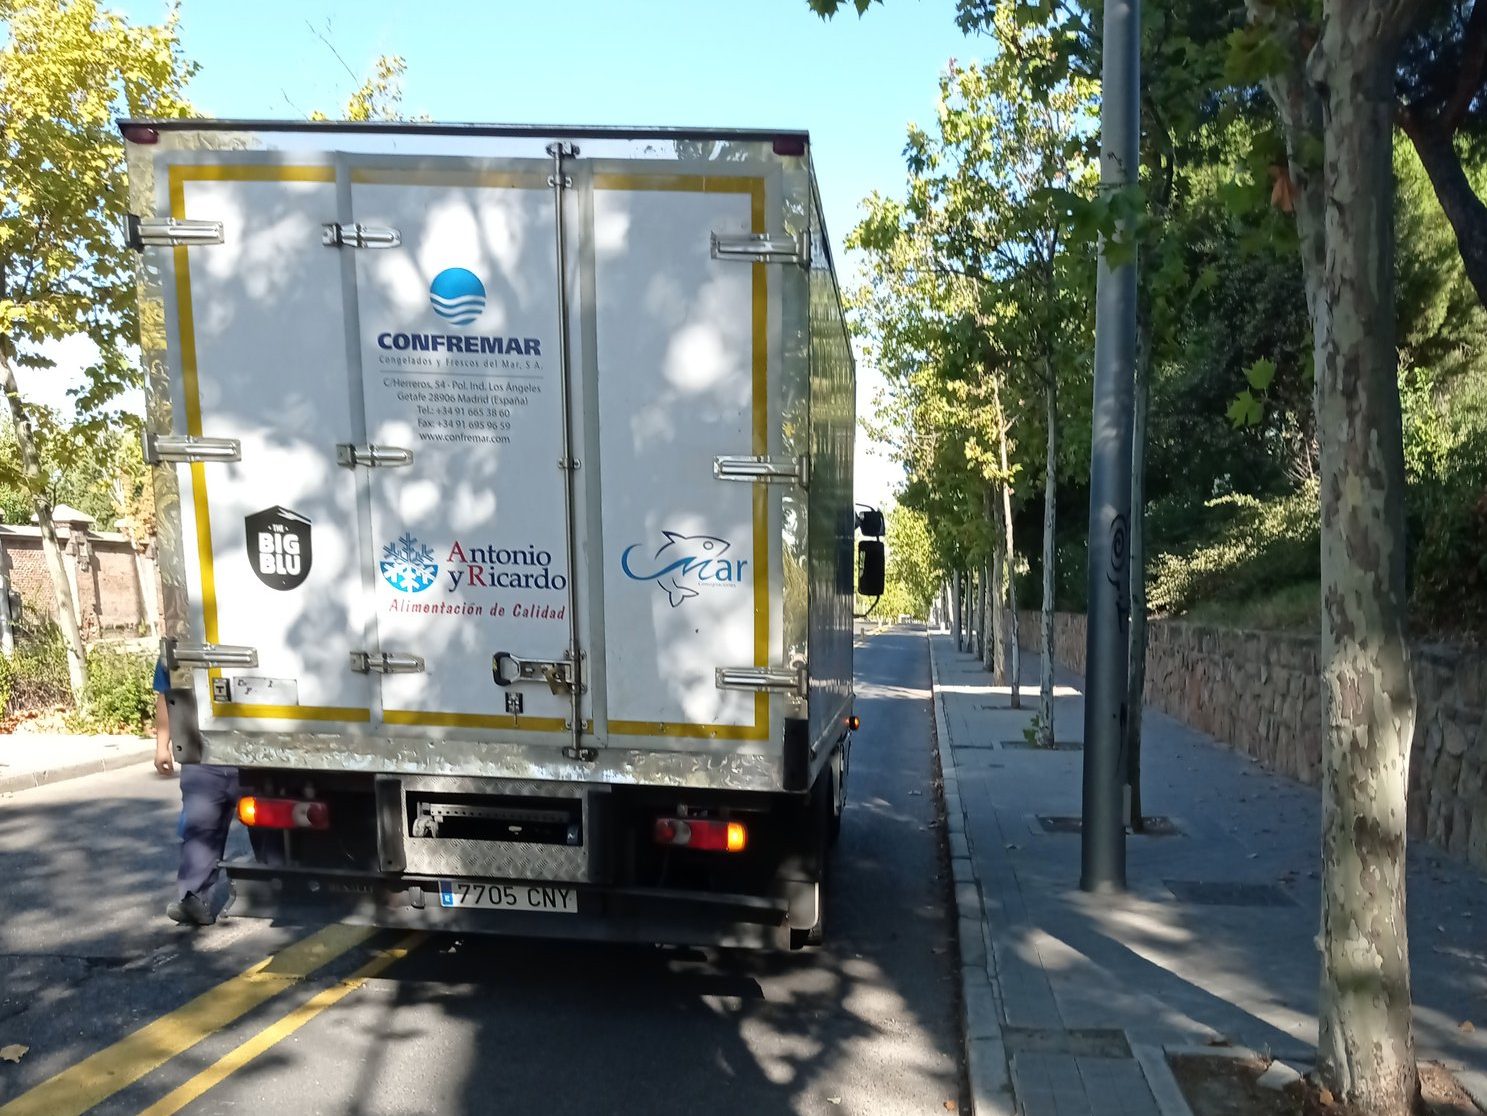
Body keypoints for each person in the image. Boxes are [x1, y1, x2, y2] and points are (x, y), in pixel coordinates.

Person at [153, 660, 262, 927]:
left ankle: (280, 882)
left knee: (268, 828)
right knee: (200, 828)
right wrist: (162, 746)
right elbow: (167, 696)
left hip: (253, 754)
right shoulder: (175, 649)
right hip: (206, 754)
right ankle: (194, 898)